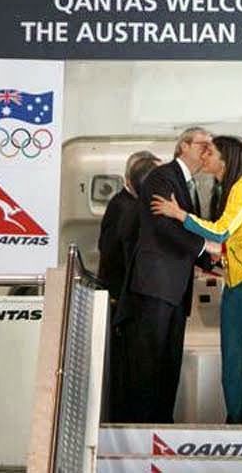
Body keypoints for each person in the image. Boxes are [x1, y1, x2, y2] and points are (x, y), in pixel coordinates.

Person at [151, 136, 242, 424]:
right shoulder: (226, 191)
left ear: (226, 158)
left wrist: (179, 215)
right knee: (234, 364)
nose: (204, 156)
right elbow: (232, 239)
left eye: (209, 152)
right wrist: (216, 261)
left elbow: (221, 231)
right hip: (236, 284)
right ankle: (234, 424)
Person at [119, 127, 215, 423]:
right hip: (155, 286)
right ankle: (142, 431)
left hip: (175, 289)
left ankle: (161, 427)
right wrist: (205, 248)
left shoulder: (191, 185)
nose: (208, 150)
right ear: (183, 146)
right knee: (149, 365)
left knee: (168, 363)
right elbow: (165, 226)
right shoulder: (162, 177)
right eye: (203, 144)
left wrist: (212, 262)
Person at [97, 151, 160, 422]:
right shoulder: (128, 209)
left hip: (121, 298)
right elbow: (119, 255)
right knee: (131, 371)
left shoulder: (121, 204)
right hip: (124, 300)